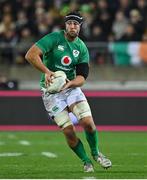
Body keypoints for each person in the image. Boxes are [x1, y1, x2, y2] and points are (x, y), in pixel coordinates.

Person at [25, 11, 112, 172]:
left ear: (80, 27)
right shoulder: (53, 38)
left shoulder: (81, 47)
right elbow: (30, 55)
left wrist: (70, 83)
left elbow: (82, 77)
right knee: (68, 131)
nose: (72, 26)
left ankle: (96, 153)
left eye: (76, 24)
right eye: (70, 23)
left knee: (88, 124)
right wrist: (46, 71)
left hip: (70, 88)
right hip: (50, 92)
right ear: (65, 25)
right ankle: (86, 161)